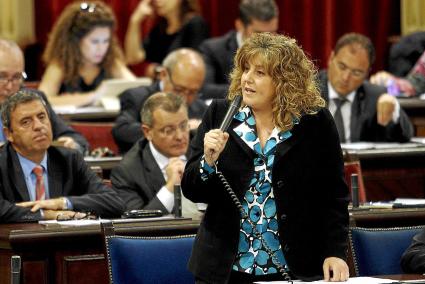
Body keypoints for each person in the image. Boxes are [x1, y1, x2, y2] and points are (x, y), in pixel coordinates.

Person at [182, 33, 349, 283]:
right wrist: (207, 161)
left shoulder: (315, 122)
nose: (247, 78)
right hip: (225, 270)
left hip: (294, 266)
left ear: (284, 82)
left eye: (260, 73)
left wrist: (335, 252)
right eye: (246, 69)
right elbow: (192, 189)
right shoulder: (221, 114)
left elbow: (333, 194)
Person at [0, 90, 124, 222]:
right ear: (9, 134)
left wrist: (62, 203)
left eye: (42, 117)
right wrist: (47, 215)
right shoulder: (2, 163)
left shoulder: (69, 159)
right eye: (26, 122)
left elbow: (114, 202)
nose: (38, 126)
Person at [111, 92, 203, 219]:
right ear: (147, 132)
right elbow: (136, 223)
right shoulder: (127, 171)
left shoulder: (204, 147)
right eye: (168, 130)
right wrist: (171, 186)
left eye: (183, 126)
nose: (180, 136)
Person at [318, 33, 413, 143]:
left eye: (356, 72)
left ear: (367, 73)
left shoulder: (376, 96)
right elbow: (292, 135)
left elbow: (406, 135)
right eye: (342, 67)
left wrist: (394, 108)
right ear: (331, 59)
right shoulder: (306, 91)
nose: (345, 77)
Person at [0, 38, 89, 154]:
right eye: (2, 77)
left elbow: (77, 140)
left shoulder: (32, 100)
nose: (10, 85)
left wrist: (71, 144)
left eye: (17, 77)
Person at [38, 1, 135, 107]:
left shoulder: (111, 62)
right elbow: (41, 100)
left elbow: (137, 89)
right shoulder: (61, 64)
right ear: (76, 41)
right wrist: (93, 96)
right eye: (94, 41)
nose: (101, 48)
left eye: (106, 41)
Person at [112, 48, 207, 153]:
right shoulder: (136, 97)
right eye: (179, 90)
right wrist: (178, 128)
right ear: (163, 74)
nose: (184, 98)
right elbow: (122, 131)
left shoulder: (201, 108)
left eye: (193, 92)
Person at [199, 0, 279, 100]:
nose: (268, 39)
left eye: (272, 32)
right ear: (240, 25)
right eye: (259, 33)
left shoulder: (281, 53)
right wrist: (251, 88)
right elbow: (204, 89)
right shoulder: (212, 49)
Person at [124, 0, 209, 77]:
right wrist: (135, 21)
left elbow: (192, 66)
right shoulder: (160, 28)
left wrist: (157, 71)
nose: (158, 1)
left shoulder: (195, 23)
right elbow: (133, 58)